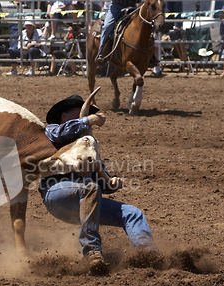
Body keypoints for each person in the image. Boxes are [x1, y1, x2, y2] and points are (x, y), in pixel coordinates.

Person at [39, 94, 158, 274]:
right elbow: (58, 133)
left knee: (133, 213)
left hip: (86, 198)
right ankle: (92, 252)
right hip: (56, 191)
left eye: (84, 114)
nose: (83, 117)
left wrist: (112, 184)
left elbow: (103, 182)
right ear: (64, 116)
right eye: (78, 112)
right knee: (90, 188)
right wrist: (90, 119)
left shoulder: (89, 145)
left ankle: (148, 254)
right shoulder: (53, 130)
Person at [96, 0, 139, 65]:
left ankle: (149, 52)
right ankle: (102, 52)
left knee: (143, 23)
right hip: (117, 7)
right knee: (107, 26)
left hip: (132, 7)